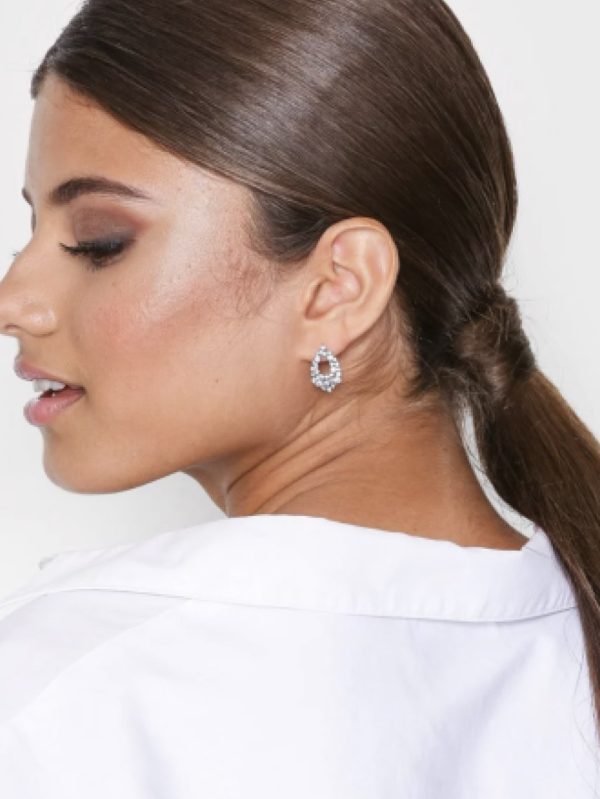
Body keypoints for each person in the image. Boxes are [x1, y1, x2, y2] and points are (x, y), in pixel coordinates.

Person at [0, 1, 598, 796]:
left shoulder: (69, 694)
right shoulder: (566, 638)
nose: (14, 300)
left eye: (97, 243)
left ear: (337, 289)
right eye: (33, 231)